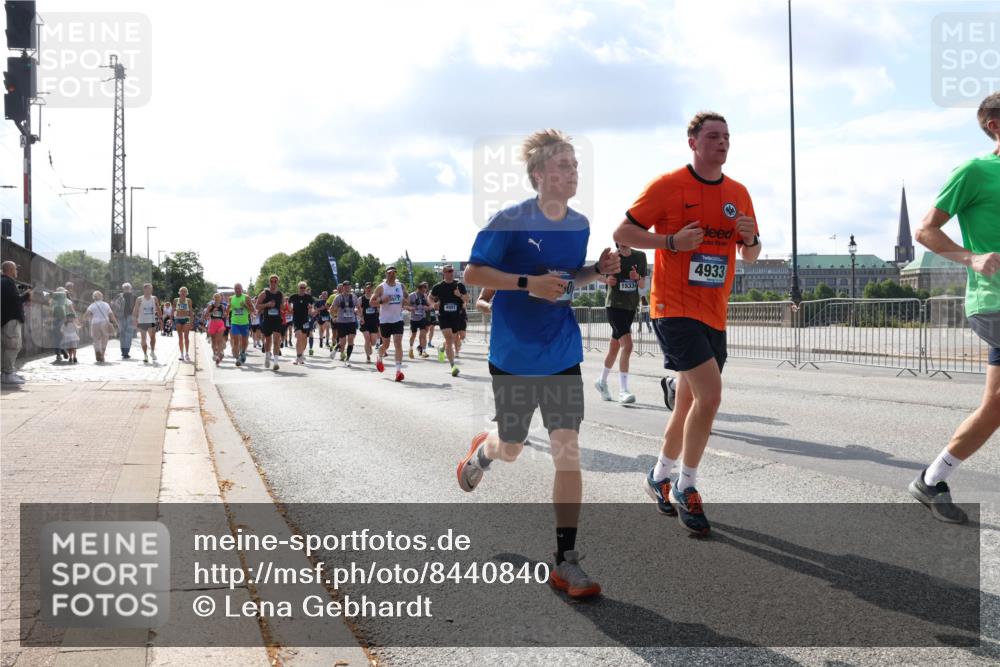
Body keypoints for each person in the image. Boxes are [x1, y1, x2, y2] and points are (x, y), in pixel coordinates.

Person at [457, 129, 620, 598]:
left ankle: (566, 560)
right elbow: (473, 273)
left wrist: (597, 271)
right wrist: (526, 282)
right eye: (564, 165)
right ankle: (483, 450)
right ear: (538, 174)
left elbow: (569, 279)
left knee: (567, 451)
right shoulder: (508, 221)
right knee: (511, 446)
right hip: (513, 356)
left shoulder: (581, 224)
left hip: (562, 353)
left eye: (575, 164)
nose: (574, 172)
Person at [613, 111, 761, 536]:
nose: (722, 142)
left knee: (687, 403)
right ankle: (687, 485)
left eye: (727, 136)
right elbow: (623, 232)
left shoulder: (739, 193)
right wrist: (671, 242)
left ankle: (659, 474)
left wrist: (749, 240)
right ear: (693, 142)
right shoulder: (668, 185)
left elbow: (749, 256)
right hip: (674, 308)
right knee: (710, 396)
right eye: (713, 136)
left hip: (714, 311)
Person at [908, 92, 1000, 524]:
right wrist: (972, 258)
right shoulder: (975, 171)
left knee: (995, 406)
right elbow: (925, 230)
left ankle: (931, 478)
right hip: (994, 300)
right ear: (994, 125)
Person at [594, 244, 648, 404]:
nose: (623, 242)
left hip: (630, 306)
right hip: (614, 306)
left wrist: (637, 277)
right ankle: (623, 391)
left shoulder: (640, 256)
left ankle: (601, 381)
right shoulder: (611, 256)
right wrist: (606, 280)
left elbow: (643, 284)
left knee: (614, 348)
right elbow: (594, 273)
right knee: (628, 346)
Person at [429, 265, 469, 377]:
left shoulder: (459, 285)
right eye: (449, 271)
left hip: (456, 316)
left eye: (452, 271)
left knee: (452, 339)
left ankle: (442, 348)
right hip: (444, 316)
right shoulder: (438, 287)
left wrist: (459, 295)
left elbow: (467, 299)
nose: (452, 272)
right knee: (449, 338)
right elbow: (430, 297)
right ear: (444, 273)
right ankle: (453, 366)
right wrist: (433, 305)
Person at [372, 267, 407, 381]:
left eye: (394, 272)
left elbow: (406, 299)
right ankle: (379, 357)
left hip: (398, 319)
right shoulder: (381, 287)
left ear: (396, 273)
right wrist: (382, 301)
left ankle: (398, 371)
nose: (392, 274)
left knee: (398, 344)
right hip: (385, 320)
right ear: (386, 274)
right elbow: (371, 302)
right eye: (389, 273)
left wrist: (408, 304)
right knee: (386, 345)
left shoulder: (400, 286)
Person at [1, 261, 31, 385]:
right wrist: (27, 295)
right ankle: (7, 374)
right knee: (13, 346)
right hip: (11, 320)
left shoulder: (3, 282)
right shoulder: (8, 282)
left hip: (5, 319)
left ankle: (6, 373)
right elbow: (15, 300)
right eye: (16, 269)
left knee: (5, 347)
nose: (17, 272)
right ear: (11, 270)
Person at [256, 276, 284, 372]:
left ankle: (276, 362)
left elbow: (282, 306)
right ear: (269, 282)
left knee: (276, 340)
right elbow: (257, 306)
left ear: (278, 282)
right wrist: (267, 305)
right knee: (268, 341)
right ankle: (267, 355)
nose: (273, 283)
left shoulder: (280, 294)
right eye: (271, 281)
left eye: (275, 281)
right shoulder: (264, 294)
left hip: (277, 320)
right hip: (267, 320)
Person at [85, 290, 118, 363]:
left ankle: (97, 351)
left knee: (96, 339)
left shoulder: (92, 305)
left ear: (94, 298)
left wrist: (81, 322)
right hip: (104, 323)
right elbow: (111, 315)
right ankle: (102, 355)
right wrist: (115, 323)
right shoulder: (106, 304)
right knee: (104, 339)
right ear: (101, 297)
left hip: (94, 323)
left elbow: (86, 315)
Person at [331, 280, 359, 366]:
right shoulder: (338, 297)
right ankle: (336, 349)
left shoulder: (354, 297)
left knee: (351, 340)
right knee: (342, 342)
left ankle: (347, 359)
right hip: (341, 322)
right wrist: (334, 317)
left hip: (351, 321)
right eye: (345, 286)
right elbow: (332, 308)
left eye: (349, 286)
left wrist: (357, 312)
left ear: (350, 287)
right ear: (343, 287)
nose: (347, 288)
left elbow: (358, 307)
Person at [132, 283, 161, 364]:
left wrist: (161, 318)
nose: (150, 290)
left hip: (152, 321)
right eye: (148, 288)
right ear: (144, 289)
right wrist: (134, 319)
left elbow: (158, 309)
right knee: (143, 339)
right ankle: (145, 355)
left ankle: (152, 351)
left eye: (151, 289)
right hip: (142, 321)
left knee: (152, 338)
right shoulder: (139, 299)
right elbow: (135, 309)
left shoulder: (154, 298)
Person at [287, 282, 315, 365]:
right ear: (298, 288)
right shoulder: (294, 297)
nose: (302, 289)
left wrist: (311, 310)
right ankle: (298, 356)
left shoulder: (308, 297)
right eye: (301, 287)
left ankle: (301, 354)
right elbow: (289, 304)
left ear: (305, 288)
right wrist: (290, 308)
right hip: (296, 320)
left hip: (305, 320)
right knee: (299, 337)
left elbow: (311, 308)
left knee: (304, 339)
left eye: (304, 288)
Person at [227, 283, 253, 366]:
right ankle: (237, 358)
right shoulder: (231, 298)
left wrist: (245, 305)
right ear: (234, 290)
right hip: (235, 322)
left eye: (239, 288)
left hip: (245, 323)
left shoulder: (246, 298)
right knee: (236, 341)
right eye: (236, 289)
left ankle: (243, 352)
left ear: (242, 289)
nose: (237, 290)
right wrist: (226, 311)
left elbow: (252, 310)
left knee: (244, 341)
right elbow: (229, 309)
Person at [407, 282, 431, 359]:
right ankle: (411, 349)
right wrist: (411, 308)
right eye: (424, 289)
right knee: (413, 335)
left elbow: (428, 305)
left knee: (423, 334)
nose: (425, 291)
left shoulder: (424, 296)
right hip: (414, 318)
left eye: (426, 289)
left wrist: (427, 307)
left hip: (422, 317)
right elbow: (406, 305)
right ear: (419, 288)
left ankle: (423, 351)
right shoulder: (412, 295)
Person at [359, 282, 380, 363]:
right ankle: (368, 357)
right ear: (365, 289)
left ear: (372, 289)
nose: (369, 289)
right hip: (365, 321)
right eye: (367, 288)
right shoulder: (361, 299)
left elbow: (380, 307)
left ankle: (370, 347)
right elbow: (357, 308)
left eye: (370, 288)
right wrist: (361, 317)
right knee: (367, 339)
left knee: (374, 342)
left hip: (374, 321)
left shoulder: (376, 298)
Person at [203, 294, 227, 364]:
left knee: (219, 339)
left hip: (220, 323)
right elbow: (205, 315)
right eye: (215, 297)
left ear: (220, 299)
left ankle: (218, 355)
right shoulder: (210, 306)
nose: (217, 299)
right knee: (213, 340)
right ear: (213, 298)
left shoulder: (222, 306)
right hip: (213, 323)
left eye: (218, 297)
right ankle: (214, 353)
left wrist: (225, 315)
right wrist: (212, 312)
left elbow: (223, 315)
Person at [173, 287, 194, 362]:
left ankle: (187, 353)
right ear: (179, 292)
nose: (183, 293)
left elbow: (191, 311)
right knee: (180, 337)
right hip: (178, 318)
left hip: (186, 318)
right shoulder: (176, 300)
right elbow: (174, 310)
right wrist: (174, 318)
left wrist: (191, 321)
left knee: (186, 337)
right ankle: (181, 354)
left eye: (184, 292)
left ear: (186, 293)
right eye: (181, 291)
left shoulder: (188, 300)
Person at [49, 286, 70, 362]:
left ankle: (58, 354)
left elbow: (50, 308)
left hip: (55, 319)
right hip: (63, 319)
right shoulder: (65, 300)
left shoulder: (53, 300)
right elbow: (70, 308)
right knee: (61, 336)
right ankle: (62, 350)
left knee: (56, 336)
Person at [311, 290, 331, 356]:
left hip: (327, 316)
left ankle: (327, 341)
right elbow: (315, 309)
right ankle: (321, 341)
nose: (325, 295)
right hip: (320, 317)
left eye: (326, 294)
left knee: (327, 327)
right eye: (324, 294)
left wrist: (327, 308)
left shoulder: (329, 301)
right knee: (321, 330)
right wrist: (320, 309)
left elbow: (332, 308)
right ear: (322, 295)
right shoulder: (318, 302)